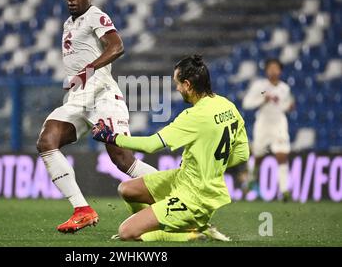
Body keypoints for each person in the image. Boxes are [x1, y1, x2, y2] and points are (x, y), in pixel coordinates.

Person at [36, 0, 157, 233]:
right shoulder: (69, 24)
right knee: (47, 140)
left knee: (123, 160)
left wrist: (87, 71)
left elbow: (117, 46)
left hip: (102, 93)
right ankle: (82, 210)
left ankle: (176, 190)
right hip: (79, 97)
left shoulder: (95, 16)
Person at [92, 54, 249, 241]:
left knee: (127, 233)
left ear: (188, 85)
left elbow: (151, 145)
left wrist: (111, 137)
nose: (177, 88)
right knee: (127, 189)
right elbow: (242, 154)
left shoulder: (194, 116)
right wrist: (211, 165)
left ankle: (190, 234)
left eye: (178, 83)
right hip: (184, 180)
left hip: (195, 197)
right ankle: (155, 220)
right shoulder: (227, 106)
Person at [242, 58, 294, 201]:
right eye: (270, 67)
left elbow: (287, 104)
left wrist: (290, 106)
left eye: (276, 68)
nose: (273, 70)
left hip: (279, 124)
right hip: (263, 124)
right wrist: (262, 100)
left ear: (280, 70)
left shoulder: (285, 88)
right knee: (258, 156)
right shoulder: (260, 86)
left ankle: (284, 190)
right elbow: (247, 103)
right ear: (266, 70)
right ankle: (252, 180)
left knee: (281, 155)